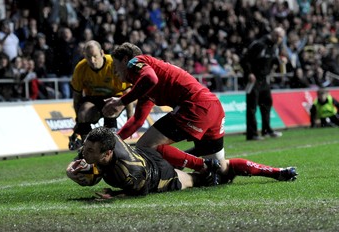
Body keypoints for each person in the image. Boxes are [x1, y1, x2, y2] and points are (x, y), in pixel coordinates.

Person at [102, 42, 297, 185]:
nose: (115, 72)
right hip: (212, 106)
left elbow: (150, 78)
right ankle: (277, 172)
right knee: (222, 169)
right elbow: (136, 120)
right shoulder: (143, 85)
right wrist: (113, 141)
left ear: (126, 60)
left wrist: (121, 101)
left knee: (145, 145)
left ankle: (202, 165)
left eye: (115, 66)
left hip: (195, 107)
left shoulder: (137, 62)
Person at [66, 127, 221, 199]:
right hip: (146, 154)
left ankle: (219, 169)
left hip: (158, 174)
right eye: (85, 148)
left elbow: (142, 192)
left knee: (194, 180)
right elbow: (85, 151)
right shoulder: (105, 138)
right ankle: (200, 161)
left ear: (107, 153)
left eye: (90, 151)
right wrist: (70, 168)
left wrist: (114, 195)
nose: (84, 153)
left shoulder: (129, 171)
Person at [68, 40, 133, 150]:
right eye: (88, 57)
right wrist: (78, 120)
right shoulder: (80, 68)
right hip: (93, 98)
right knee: (83, 113)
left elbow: (128, 92)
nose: (92, 60)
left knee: (110, 109)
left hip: (115, 96)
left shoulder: (113, 64)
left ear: (102, 53)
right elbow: (76, 97)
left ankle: (112, 145)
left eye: (95, 56)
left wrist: (130, 119)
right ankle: (87, 149)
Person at [241, 27, 286, 141]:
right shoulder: (259, 44)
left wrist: (281, 60)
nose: (280, 40)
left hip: (264, 79)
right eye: (279, 37)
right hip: (254, 79)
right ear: (274, 35)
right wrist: (249, 73)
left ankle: (266, 130)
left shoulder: (274, 46)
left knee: (266, 104)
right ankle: (252, 134)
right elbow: (244, 59)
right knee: (252, 107)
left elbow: (270, 59)